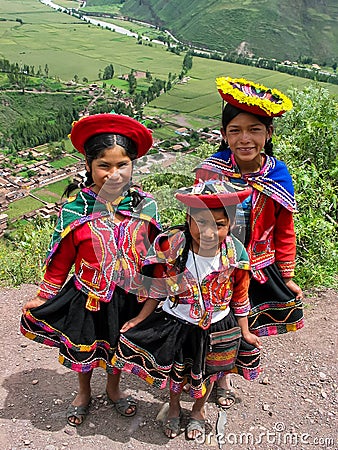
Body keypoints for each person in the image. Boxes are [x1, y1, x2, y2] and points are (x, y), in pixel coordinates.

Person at [20, 113, 161, 427]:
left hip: (129, 297)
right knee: (84, 350)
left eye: (122, 165)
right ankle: (83, 393)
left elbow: (156, 257)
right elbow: (61, 261)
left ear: (133, 165)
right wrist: (45, 296)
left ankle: (113, 389)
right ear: (88, 167)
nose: (114, 174)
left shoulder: (145, 207)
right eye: (104, 166)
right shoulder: (76, 209)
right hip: (88, 296)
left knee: (117, 347)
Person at [112, 180, 262, 440]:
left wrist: (245, 331)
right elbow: (157, 289)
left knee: (209, 373)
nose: (209, 231)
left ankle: (198, 411)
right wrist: (140, 318)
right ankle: (173, 406)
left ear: (231, 225)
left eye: (219, 224)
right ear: (188, 219)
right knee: (177, 372)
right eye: (201, 222)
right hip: (177, 323)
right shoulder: (172, 248)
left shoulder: (235, 254)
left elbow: (240, 295)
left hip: (218, 325)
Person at [194, 76, 304, 408]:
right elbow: (196, 222)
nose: (245, 139)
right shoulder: (210, 173)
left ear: (268, 133)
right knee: (213, 325)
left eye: (254, 129)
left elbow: (284, 228)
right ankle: (205, 377)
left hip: (257, 266)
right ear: (224, 135)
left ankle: (225, 378)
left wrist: (286, 275)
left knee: (243, 328)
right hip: (216, 267)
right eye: (235, 130)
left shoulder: (277, 175)